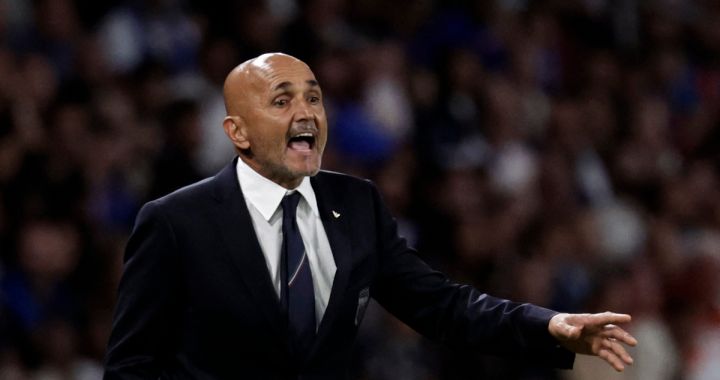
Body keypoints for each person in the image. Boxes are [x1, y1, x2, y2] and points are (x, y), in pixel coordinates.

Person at [103, 53, 637, 379]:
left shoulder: (357, 206)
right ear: (237, 132)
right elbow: (131, 368)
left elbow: (443, 306)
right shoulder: (175, 222)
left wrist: (549, 326)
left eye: (314, 98)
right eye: (281, 101)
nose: (307, 113)